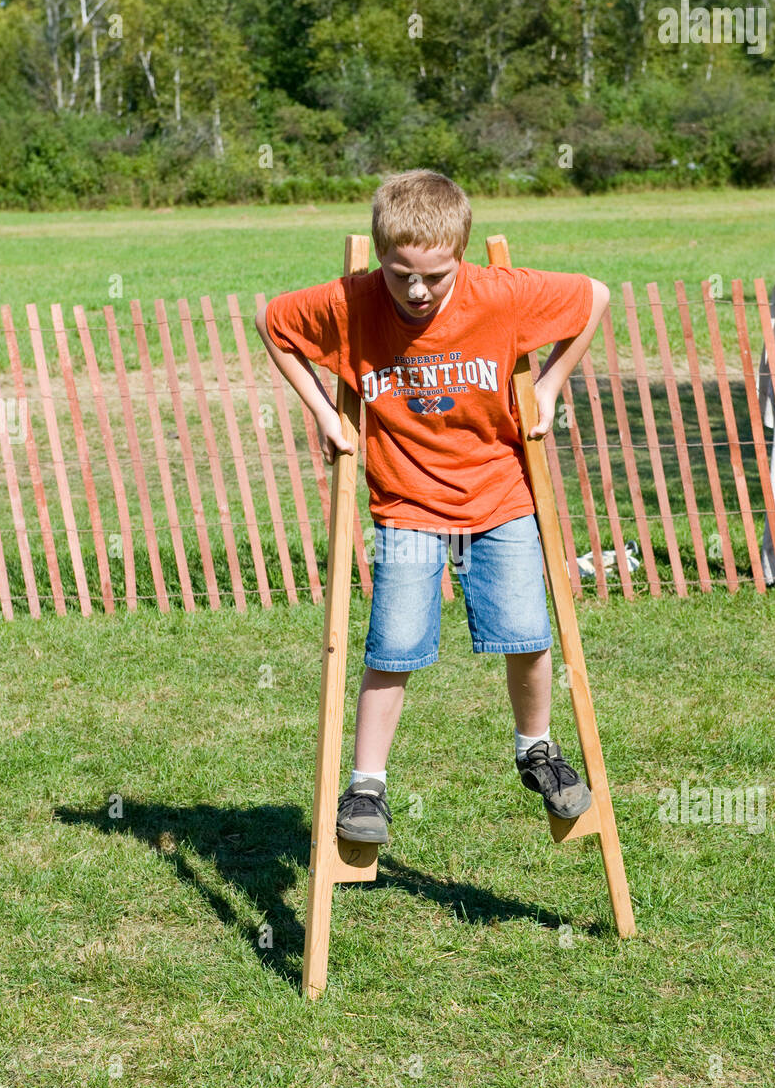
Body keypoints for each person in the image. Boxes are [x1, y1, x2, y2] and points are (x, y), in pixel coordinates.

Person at [256, 169, 610, 847]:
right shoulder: (350, 303)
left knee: (527, 632)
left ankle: (534, 748)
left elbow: (593, 295)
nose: (416, 291)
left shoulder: (501, 295)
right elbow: (272, 323)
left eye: (435, 276)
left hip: (498, 496)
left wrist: (552, 387)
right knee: (392, 643)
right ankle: (367, 785)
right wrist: (326, 417)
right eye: (400, 275)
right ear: (382, 259)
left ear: (461, 256)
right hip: (404, 505)